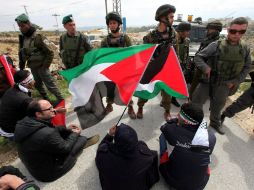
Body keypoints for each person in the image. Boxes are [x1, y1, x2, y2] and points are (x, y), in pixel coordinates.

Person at [14, 99, 100, 182]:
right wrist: (75, 134)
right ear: (38, 114)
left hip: (34, 165)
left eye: (52, 107)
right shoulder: (46, 133)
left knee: (64, 132)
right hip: (48, 173)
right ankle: (80, 146)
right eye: (50, 109)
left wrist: (66, 129)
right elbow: (65, 148)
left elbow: (50, 130)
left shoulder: (25, 122)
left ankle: (73, 140)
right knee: (81, 139)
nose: (53, 110)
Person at [191, 17, 251, 135]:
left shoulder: (245, 48)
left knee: (218, 105)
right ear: (228, 30)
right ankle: (192, 123)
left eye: (241, 32)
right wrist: (205, 68)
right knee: (196, 103)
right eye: (233, 31)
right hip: (208, 80)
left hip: (225, 84)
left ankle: (214, 123)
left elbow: (247, 66)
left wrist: (236, 81)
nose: (237, 34)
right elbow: (198, 57)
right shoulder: (216, 45)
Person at [159, 102, 216, 190]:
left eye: (179, 114)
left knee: (163, 136)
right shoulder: (211, 136)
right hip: (199, 185)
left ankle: (165, 159)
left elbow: (164, 127)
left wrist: (175, 121)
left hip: (173, 181)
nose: (177, 115)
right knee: (200, 158)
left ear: (186, 121)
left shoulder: (172, 130)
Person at [137, 4, 177, 121]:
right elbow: (143, 54)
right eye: (170, 17)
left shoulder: (173, 33)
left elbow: (175, 51)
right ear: (162, 18)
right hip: (153, 67)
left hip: (167, 68)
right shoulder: (150, 36)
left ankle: (167, 110)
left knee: (167, 92)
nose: (172, 19)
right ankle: (140, 107)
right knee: (146, 88)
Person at [95, 123, 159, 190]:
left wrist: (109, 135)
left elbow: (100, 151)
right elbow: (151, 157)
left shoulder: (104, 155)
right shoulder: (145, 155)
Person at [15, 13, 63, 101]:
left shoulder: (38, 36)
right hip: (33, 67)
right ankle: (47, 101)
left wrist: (45, 67)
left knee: (50, 85)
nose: (21, 28)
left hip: (42, 66)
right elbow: (21, 54)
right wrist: (21, 69)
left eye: (22, 25)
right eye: (19, 26)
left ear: (28, 24)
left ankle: (61, 101)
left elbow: (50, 52)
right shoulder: (23, 38)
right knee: (38, 85)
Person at [101, 12, 136, 119]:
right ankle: (109, 104)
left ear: (119, 24)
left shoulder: (125, 38)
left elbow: (132, 53)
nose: (112, 25)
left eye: (114, 23)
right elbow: (102, 55)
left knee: (126, 89)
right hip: (110, 69)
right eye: (110, 23)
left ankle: (130, 106)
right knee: (110, 88)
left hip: (124, 69)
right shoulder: (105, 40)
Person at [189, 20, 223, 99]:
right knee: (195, 87)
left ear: (215, 30)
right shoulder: (207, 39)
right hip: (201, 67)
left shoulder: (216, 42)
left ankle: (192, 101)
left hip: (206, 69)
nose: (207, 31)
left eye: (209, 29)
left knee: (198, 89)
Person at [0, 70, 34, 137]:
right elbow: (36, 113)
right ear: (28, 83)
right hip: (11, 129)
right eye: (33, 80)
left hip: (3, 124)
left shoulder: (12, 89)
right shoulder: (24, 99)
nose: (34, 81)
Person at [172, 22, 191, 107]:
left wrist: (187, 66)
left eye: (188, 31)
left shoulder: (187, 41)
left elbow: (187, 54)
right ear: (180, 32)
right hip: (173, 65)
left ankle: (172, 98)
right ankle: (169, 99)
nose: (188, 33)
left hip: (182, 65)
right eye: (186, 31)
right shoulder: (173, 41)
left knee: (176, 84)